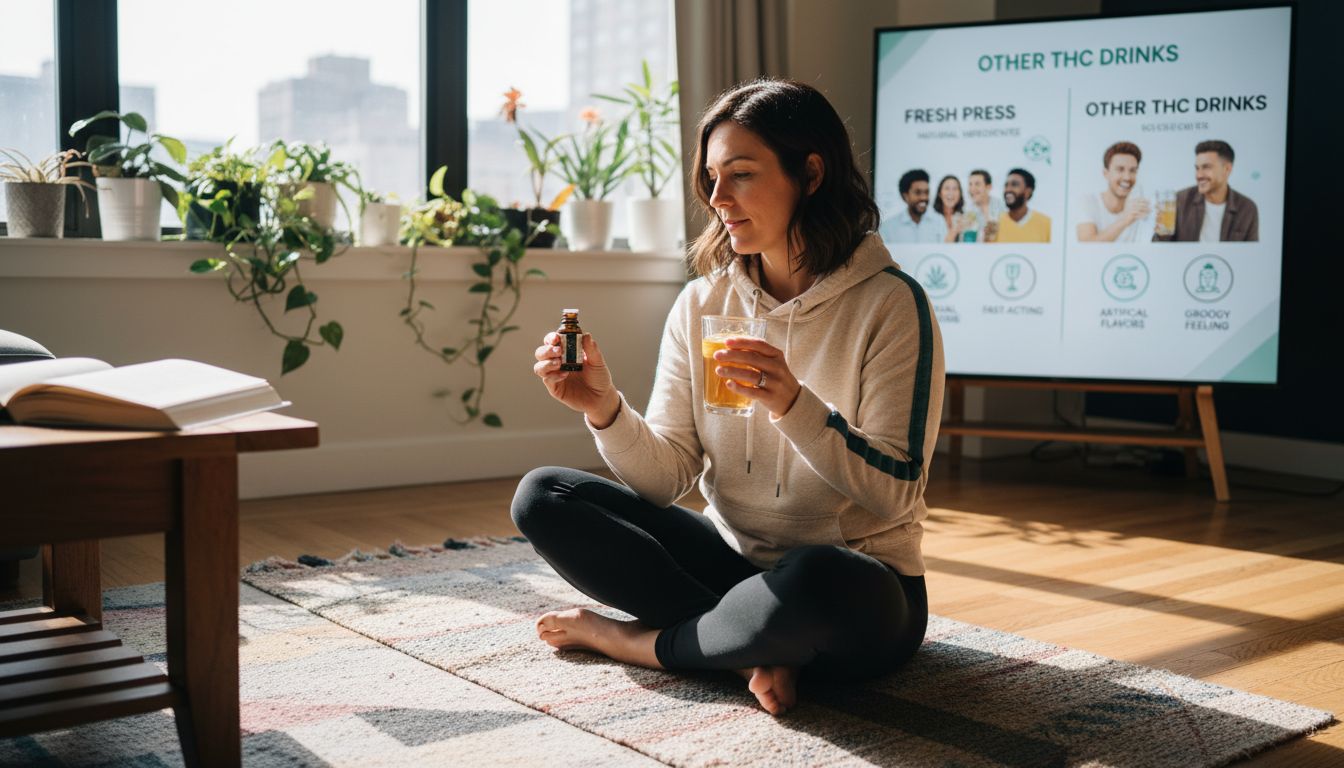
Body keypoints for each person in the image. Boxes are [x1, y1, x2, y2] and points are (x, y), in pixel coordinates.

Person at [513, 78, 944, 717]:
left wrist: (793, 404)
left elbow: (895, 490)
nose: (717, 199)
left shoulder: (891, 305)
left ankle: (637, 643)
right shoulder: (703, 305)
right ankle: (748, 648)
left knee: (818, 580)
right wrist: (602, 406)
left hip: (857, 586)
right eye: (711, 179)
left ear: (812, 174)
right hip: (732, 568)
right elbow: (665, 480)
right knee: (545, 496)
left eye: (739, 175)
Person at [1155, 140, 1259, 242]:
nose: (1199, 175)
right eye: (1197, 168)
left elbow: (1252, 254)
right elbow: (1160, 250)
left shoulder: (1247, 208)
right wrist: (1161, 235)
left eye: (1206, 167)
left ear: (1227, 169)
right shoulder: (1180, 201)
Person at [1076, 141, 1151, 242]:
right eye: (1120, 169)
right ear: (1106, 173)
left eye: (1133, 170)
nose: (1127, 177)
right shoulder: (1089, 202)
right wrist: (1125, 220)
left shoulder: (1140, 207)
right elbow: (1086, 247)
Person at [881, 169, 946, 243]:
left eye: (926, 192)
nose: (923, 197)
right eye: (918, 192)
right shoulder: (888, 228)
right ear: (905, 196)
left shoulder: (939, 222)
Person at [996, 168, 1051, 243]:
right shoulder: (994, 223)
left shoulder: (1046, 224)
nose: (1008, 190)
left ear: (1028, 192)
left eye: (1014, 185)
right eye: (1006, 185)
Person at [965, 169, 1003, 242]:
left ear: (988, 187)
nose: (972, 189)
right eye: (970, 184)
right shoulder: (967, 210)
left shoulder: (1000, 206)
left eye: (977, 184)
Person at [932, 174, 969, 243]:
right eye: (947, 188)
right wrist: (955, 230)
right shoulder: (931, 218)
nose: (951, 193)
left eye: (955, 189)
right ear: (940, 193)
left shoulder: (965, 218)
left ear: (960, 194)